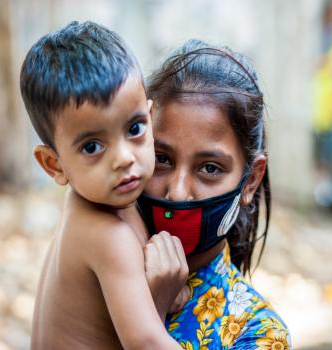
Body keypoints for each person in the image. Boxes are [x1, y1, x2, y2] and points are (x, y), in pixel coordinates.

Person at [20, 21, 188, 349]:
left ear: (150, 118)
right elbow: (147, 344)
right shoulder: (108, 236)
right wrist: (162, 298)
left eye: (135, 128)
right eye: (92, 147)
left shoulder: (91, 204)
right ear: (54, 164)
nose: (124, 158)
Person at [139, 40, 292, 349]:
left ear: (250, 181)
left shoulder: (257, 334)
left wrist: (149, 314)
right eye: (161, 159)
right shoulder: (94, 265)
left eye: (209, 168)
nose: (178, 193)